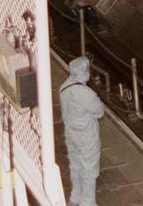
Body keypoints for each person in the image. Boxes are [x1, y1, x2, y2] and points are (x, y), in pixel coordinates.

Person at [59, 56, 105, 206]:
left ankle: (75, 198)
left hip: (71, 134)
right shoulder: (85, 93)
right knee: (89, 171)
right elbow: (99, 112)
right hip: (86, 137)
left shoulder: (64, 87)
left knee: (75, 165)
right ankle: (88, 202)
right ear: (85, 72)